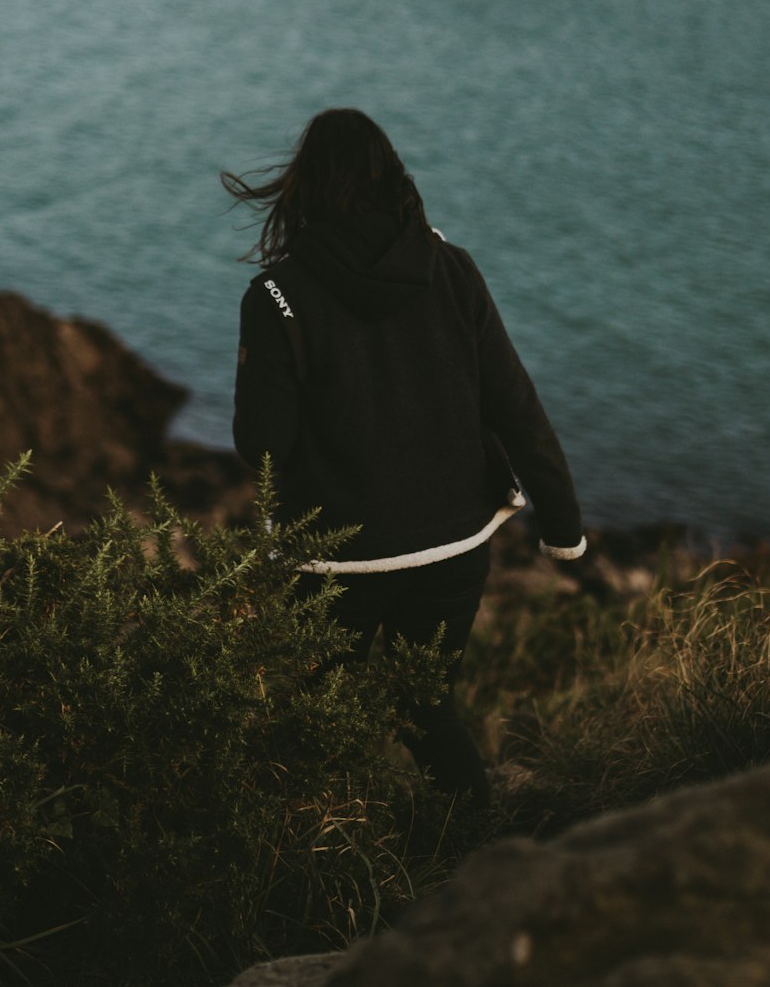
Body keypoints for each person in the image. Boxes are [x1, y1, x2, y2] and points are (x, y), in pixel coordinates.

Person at [224, 108, 585, 808]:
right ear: (394, 181)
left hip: (335, 558)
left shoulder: (277, 296)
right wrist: (562, 525)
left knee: (318, 715)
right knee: (424, 704)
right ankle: (473, 844)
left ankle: (323, 859)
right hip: (456, 543)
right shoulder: (452, 269)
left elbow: (261, 444)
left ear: (302, 190)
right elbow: (514, 404)